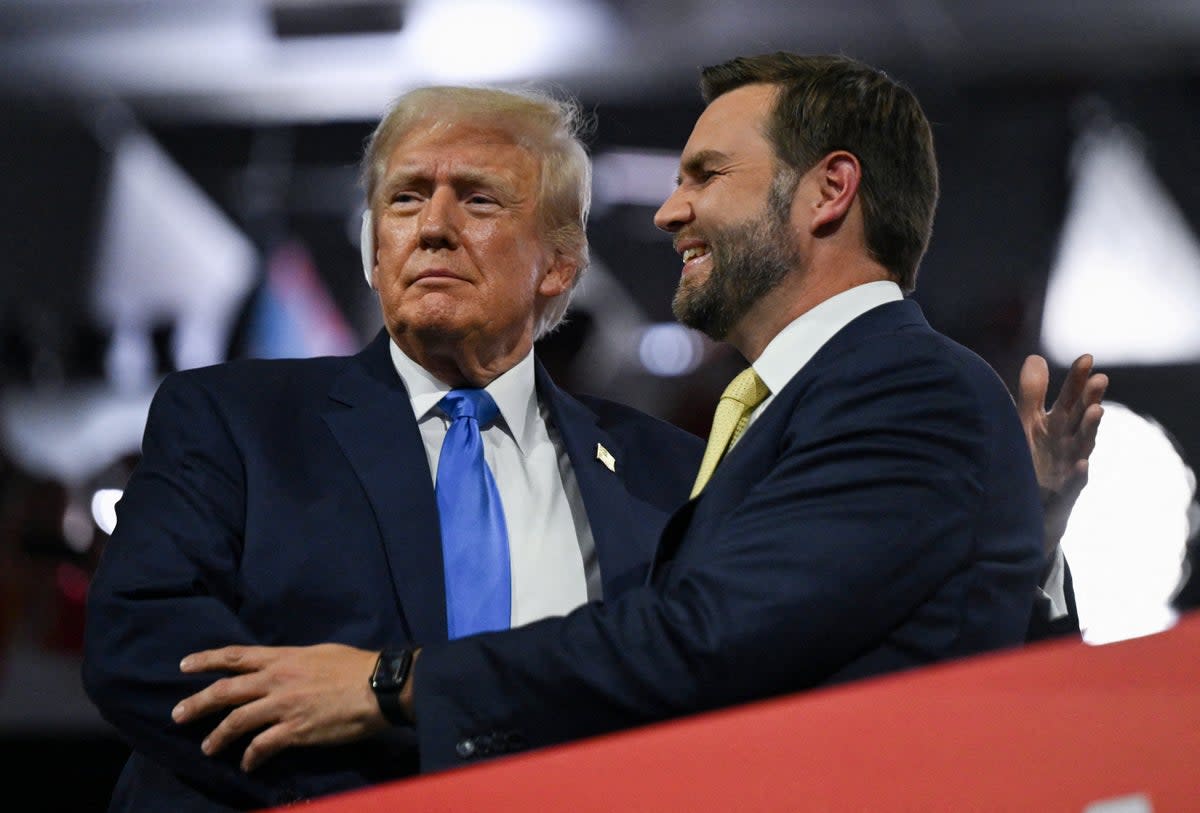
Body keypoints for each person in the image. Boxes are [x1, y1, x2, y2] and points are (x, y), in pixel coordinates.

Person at [161, 53, 1105, 786]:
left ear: (829, 191)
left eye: (705, 173)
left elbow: (701, 639)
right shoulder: (773, 422)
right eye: (406, 199)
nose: (666, 209)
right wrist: (1019, 533)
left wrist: (388, 683)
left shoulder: (900, 389)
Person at [82, 86, 704, 810]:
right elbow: (147, 649)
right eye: (406, 199)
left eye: (478, 200)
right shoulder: (233, 423)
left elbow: (693, 692)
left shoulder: (667, 475)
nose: (433, 226)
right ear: (377, 250)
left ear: (560, 262)